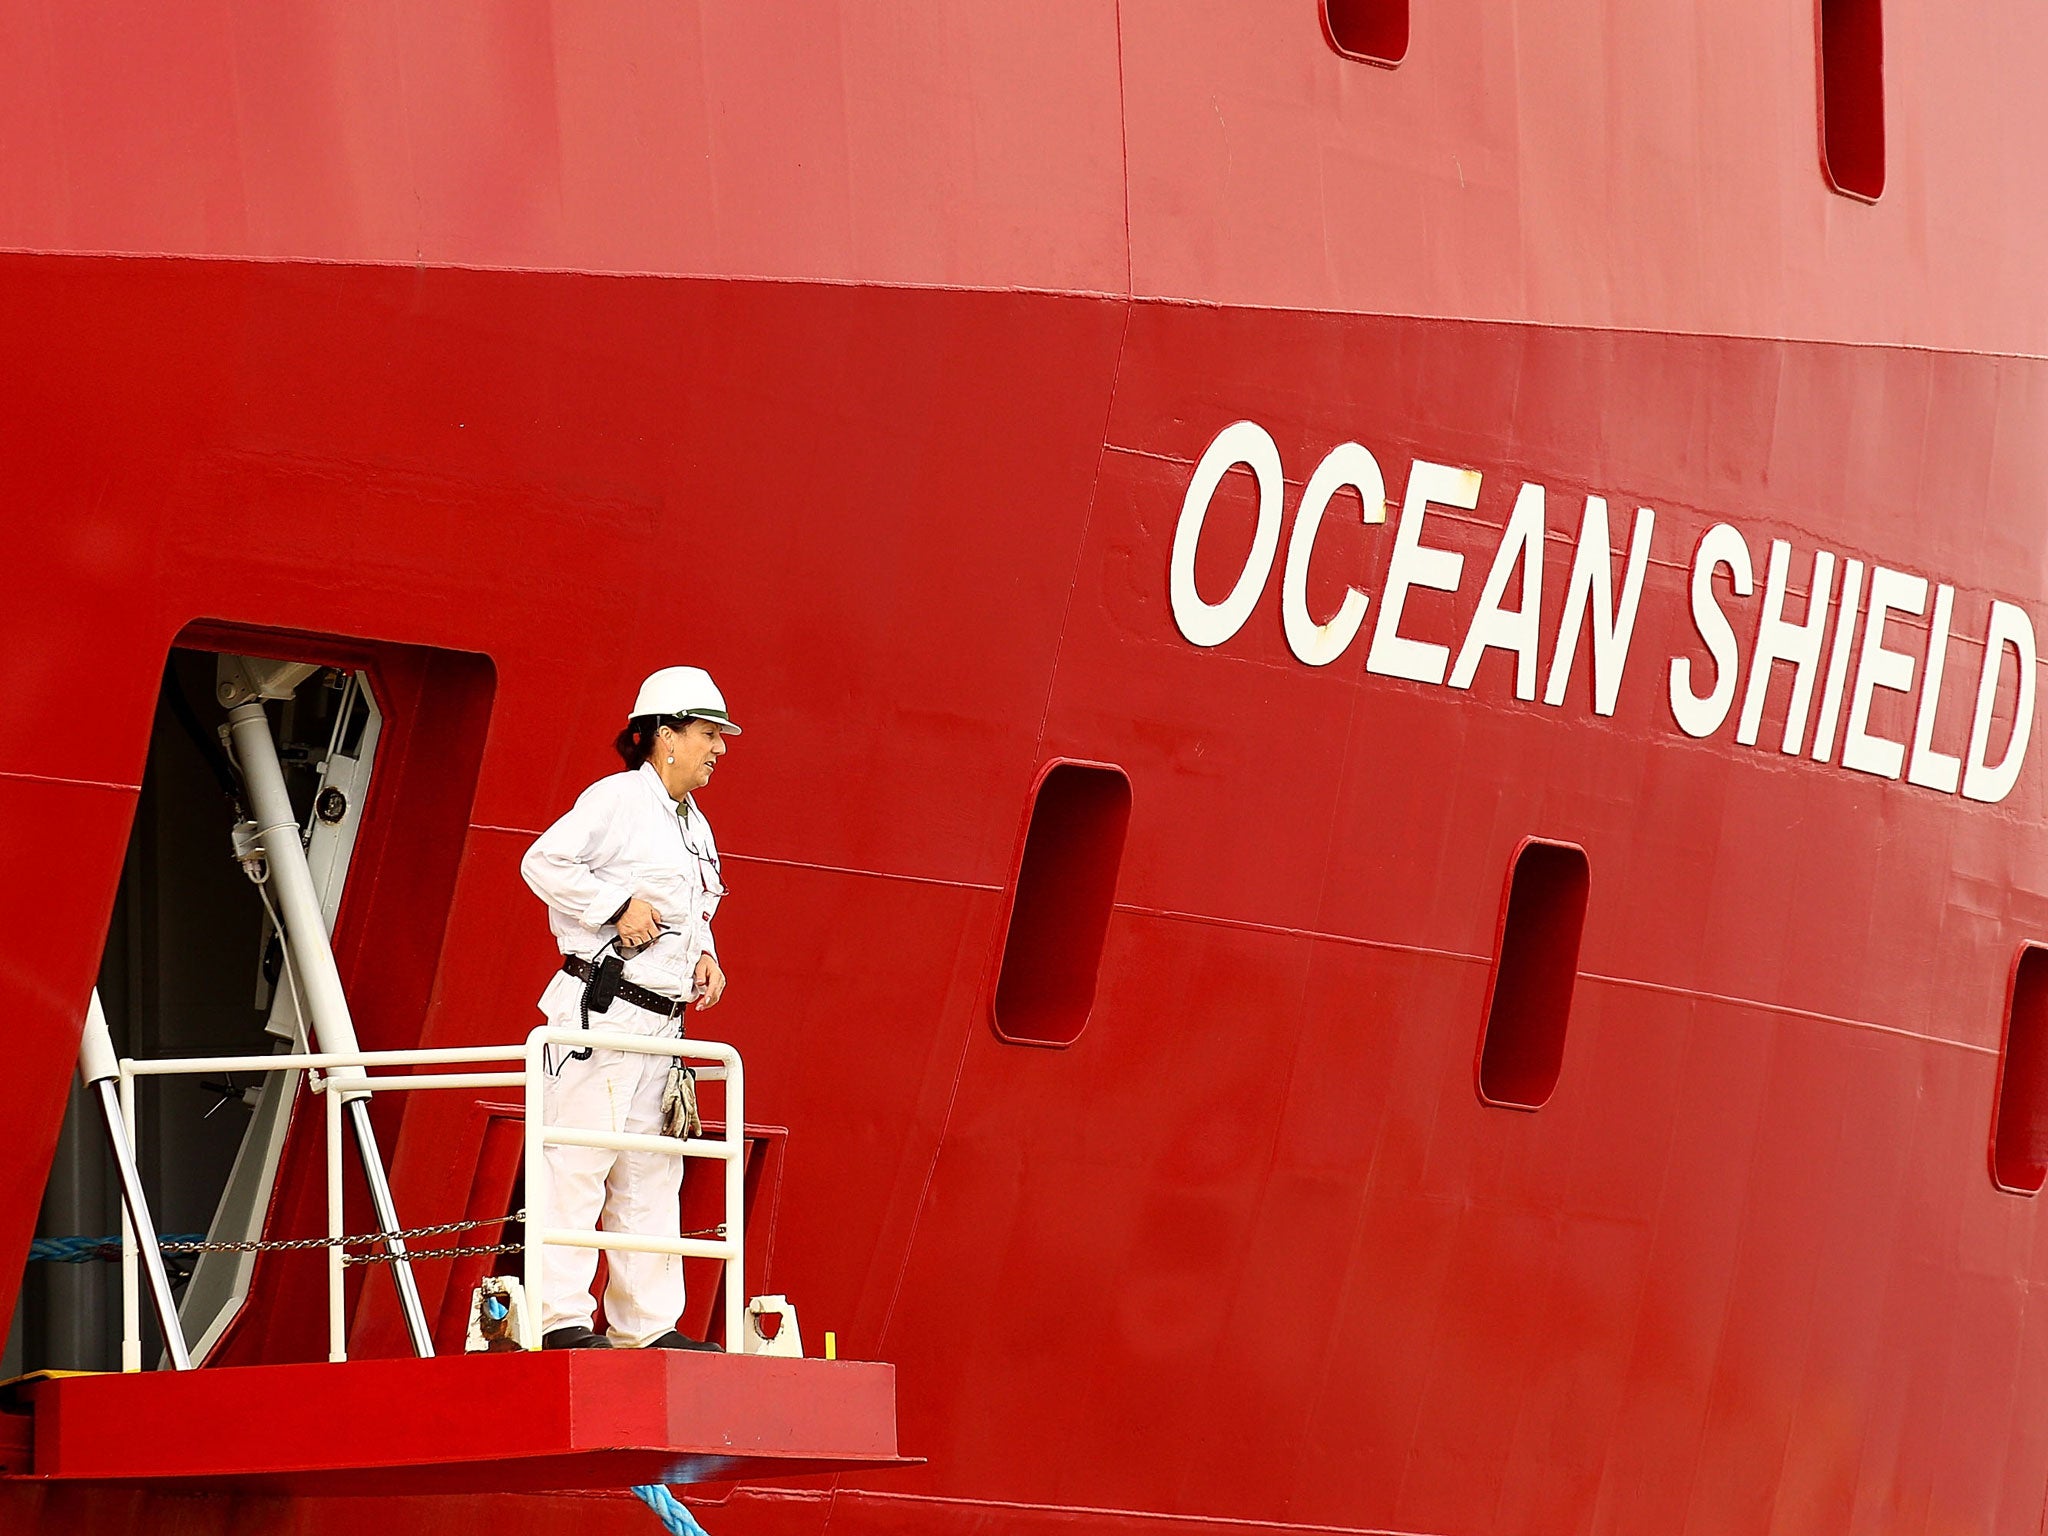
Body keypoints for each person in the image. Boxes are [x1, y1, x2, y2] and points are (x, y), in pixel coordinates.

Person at [519, 665, 739, 1350]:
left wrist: (704, 954)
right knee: (579, 1164)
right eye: (708, 734)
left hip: (658, 1026)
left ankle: (646, 1327)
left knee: (648, 1174)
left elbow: (693, 906)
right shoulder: (617, 800)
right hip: (602, 1013)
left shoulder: (690, 824)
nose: (719, 750)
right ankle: (560, 1321)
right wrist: (616, 906)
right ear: (663, 737)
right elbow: (543, 862)